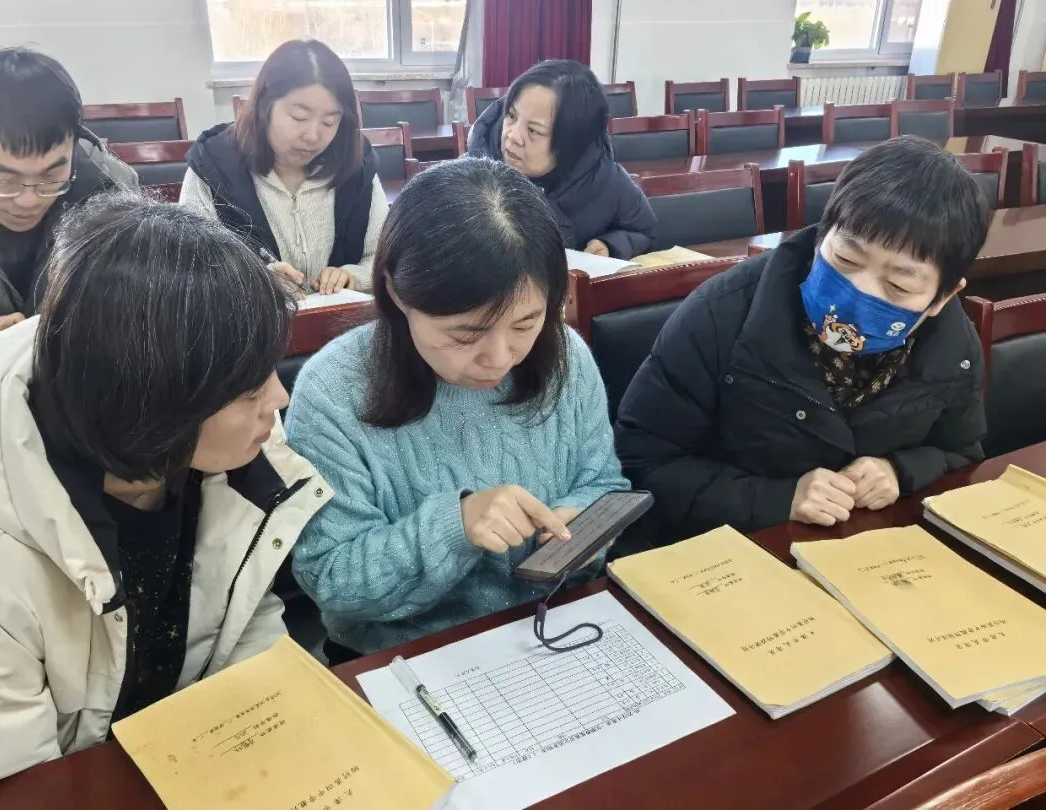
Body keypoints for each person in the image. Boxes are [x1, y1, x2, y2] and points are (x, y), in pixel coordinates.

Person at [0, 192, 332, 790]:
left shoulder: (232, 451)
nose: (280, 397)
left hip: (198, 762)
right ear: (153, 407)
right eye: (249, 390)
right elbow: (16, 787)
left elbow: (245, 613)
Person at [285, 157, 629, 654]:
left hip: (557, 625)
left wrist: (583, 525)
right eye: (466, 333)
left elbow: (602, 481)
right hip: (406, 654)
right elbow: (333, 579)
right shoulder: (334, 391)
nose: (501, 358)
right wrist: (457, 526)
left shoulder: (565, 356)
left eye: (525, 324)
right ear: (397, 293)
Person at [614, 136, 990, 550]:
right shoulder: (722, 313)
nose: (857, 295)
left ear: (943, 298)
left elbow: (961, 452)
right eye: (846, 260)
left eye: (898, 286)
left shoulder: (953, 345)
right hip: (731, 551)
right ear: (819, 238)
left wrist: (900, 471)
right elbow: (641, 463)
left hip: (866, 551)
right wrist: (779, 499)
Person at [0, 48, 138, 358]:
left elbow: (142, 310)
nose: (29, 200)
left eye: (52, 174)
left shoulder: (113, 191)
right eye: (5, 180)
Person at [181, 39, 387, 294]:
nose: (312, 136)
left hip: (340, 318)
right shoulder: (212, 167)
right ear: (265, 105)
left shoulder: (357, 164)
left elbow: (384, 259)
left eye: (329, 122)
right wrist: (256, 282)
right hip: (252, 320)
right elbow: (189, 274)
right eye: (299, 117)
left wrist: (352, 277)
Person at [468, 59, 656, 260]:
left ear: (572, 143)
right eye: (511, 116)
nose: (513, 136)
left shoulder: (608, 182)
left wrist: (610, 245)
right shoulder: (470, 175)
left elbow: (643, 232)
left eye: (533, 130)